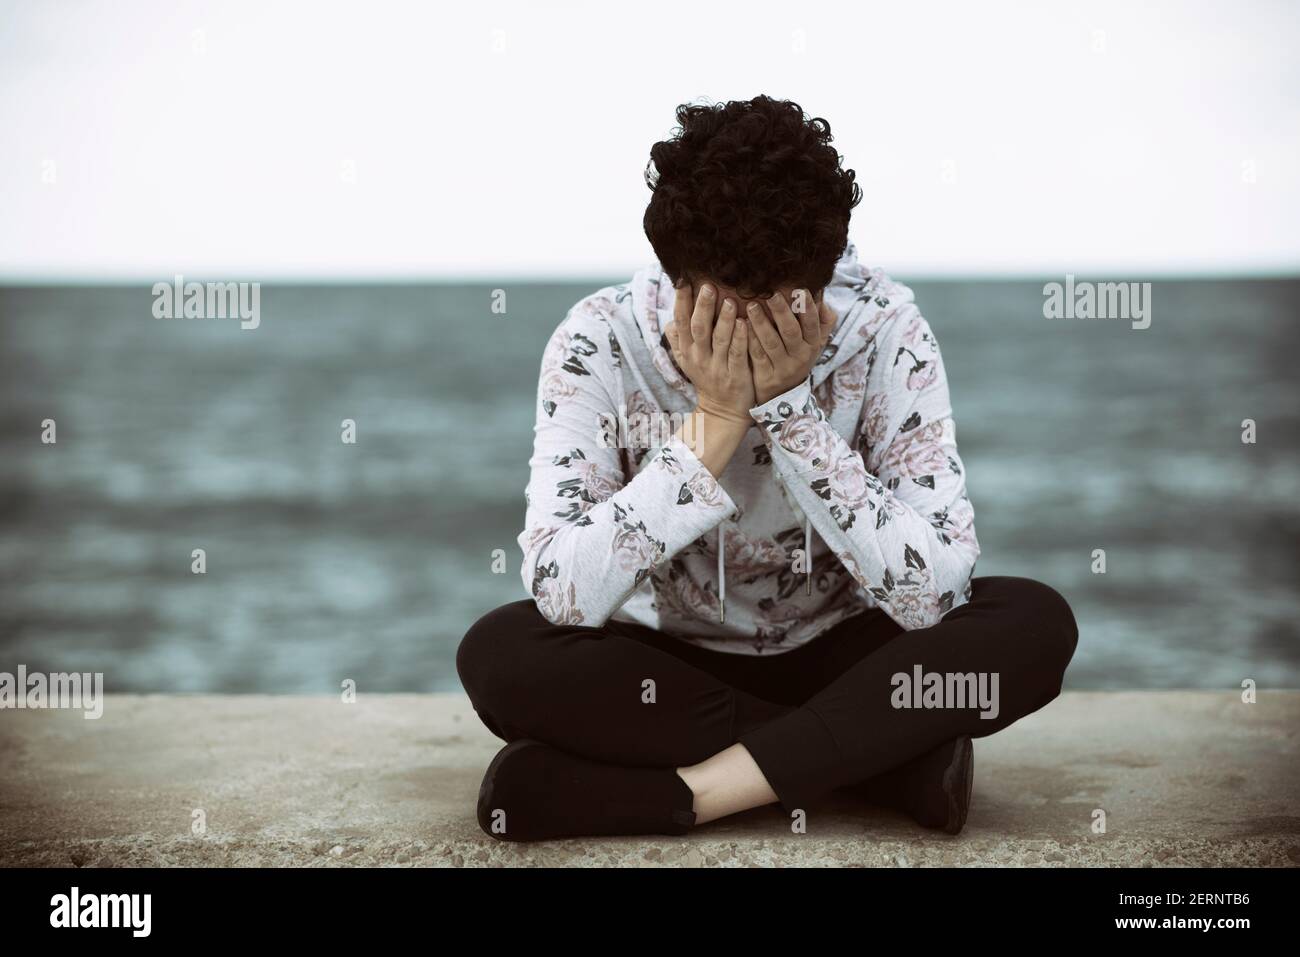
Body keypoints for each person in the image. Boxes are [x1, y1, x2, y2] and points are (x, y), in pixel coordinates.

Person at [458, 95, 1077, 842]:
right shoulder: (601, 338)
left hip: (844, 653)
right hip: (671, 666)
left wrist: (791, 412)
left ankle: (687, 795)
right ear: (675, 279)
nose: (747, 340)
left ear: (820, 284)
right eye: (723, 313)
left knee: (1034, 625)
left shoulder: (886, 329)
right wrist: (713, 426)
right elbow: (560, 591)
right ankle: (875, 759)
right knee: (501, 655)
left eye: (777, 312)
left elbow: (934, 594)